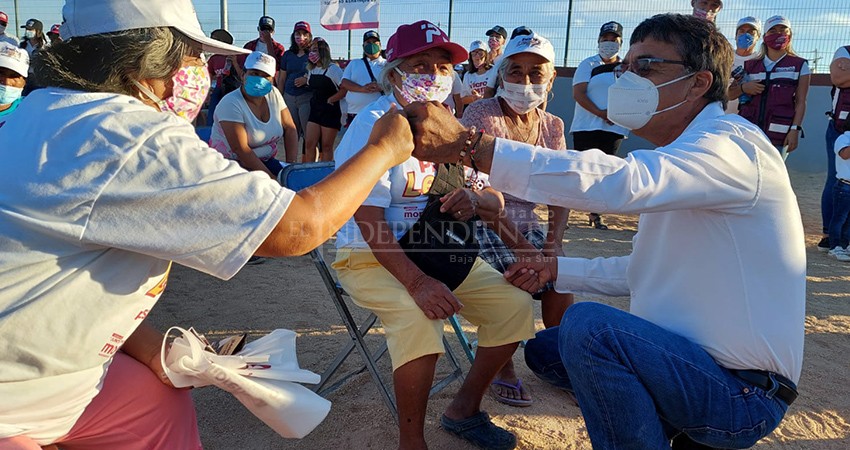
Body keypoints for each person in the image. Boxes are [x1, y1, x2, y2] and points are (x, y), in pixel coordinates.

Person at [0, 0, 415, 447]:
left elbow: (59, 279)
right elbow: (298, 228)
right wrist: (382, 151)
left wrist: (154, 350)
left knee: (157, 403)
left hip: (56, 379)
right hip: (16, 404)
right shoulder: (126, 135)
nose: (199, 68)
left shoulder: (41, 110)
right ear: (147, 57)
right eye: (191, 54)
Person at [405, 13, 804, 450]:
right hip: (689, 365)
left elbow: (620, 184)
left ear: (697, 82)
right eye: (627, 67)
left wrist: (472, 147)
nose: (628, 79)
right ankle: (664, 420)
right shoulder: (686, 156)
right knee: (547, 349)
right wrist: (554, 270)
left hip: (740, 391)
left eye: (646, 67)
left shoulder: (731, 145)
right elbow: (644, 269)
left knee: (588, 328)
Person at [332, 20, 533, 450]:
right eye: (420, 64)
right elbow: (366, 217)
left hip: (439, 248)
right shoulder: (374, 124)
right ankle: (411, 441)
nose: (435, 75)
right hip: (371, 254)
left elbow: (492, 197)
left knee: (514, 306)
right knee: (418, 315)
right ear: (394, 72)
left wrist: (475, 200)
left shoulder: (450, 125)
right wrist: (417, 282)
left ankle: (463, 409)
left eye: (443, 67)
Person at [460, 32, 573, 408]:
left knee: (560, 275)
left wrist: (553, 244)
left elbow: (562, 190)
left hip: (527, 222)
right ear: (501, 72)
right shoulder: (481, 114)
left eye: (535, 73)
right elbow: (476, 193)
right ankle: (502, 362)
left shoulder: (553, 126)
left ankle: (561, 361)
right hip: (481, 217)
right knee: (518, 277)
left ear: (551, 78)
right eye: (516, 71)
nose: (525, 82)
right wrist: (528, 249)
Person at [570, 21, 629, 230]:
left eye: (614, 40)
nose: (609, 44)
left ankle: (596, 215)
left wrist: (618, 115)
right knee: (580, 170)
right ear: (598, 41)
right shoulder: (588, 64)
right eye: (606, 39)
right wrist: (601, 113)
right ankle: (565, 212)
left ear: (621, 42)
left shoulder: (626, 68)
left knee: (604, 173)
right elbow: (579, 93)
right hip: (587, 125)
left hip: (614, 128)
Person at [209, 50, 298, 176]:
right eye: (254, 73)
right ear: (243, 75)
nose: (259, 79)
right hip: (232, 167)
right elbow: (241, 150)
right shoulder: (230, 103)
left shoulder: (274, 94)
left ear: (272, 79)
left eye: (265, 76)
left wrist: (290, 167)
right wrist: (272, 179)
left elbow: (290, 128)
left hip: (265, 161)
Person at [738, 15, 810, 160]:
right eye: (773, 31)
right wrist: (744, 88)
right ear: (765, 36)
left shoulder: (800, 65)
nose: (778, 34)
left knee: (772, 177)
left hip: (779, 134)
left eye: (783, 30)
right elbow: (730, 94)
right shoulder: (750, 65)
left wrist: (795, 129)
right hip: (748, 131)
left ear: (790, 35)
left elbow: (801, 101)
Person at [819, 44, 850, 252]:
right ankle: (830, 235)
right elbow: (839, 78)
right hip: (842, 131)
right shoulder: (844, 52)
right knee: (837, 180)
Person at [304, 38, 344, 162]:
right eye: (310, 50)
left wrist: (332, 99)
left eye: (315, 50)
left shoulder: (333, 69)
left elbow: (344, 88)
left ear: (323, 51)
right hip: (315, 110)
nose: (312, 53)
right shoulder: (311, 69)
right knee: (309, 144)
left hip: (330, 111)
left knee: (326, 146)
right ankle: (309, 171)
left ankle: (326, 175)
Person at [279, 21, 313, 150]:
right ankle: (290, 163)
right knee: (291, 132)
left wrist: (306, 79)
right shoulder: (288, 55)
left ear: (309, 36)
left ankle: (310, 162)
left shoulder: (312, 54)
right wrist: (280, 97)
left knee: (309, 134)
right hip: (289, 97)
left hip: (306, 97)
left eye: (305, 34)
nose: (301, 37)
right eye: (298, 34)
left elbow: (319, 72)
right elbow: (282, 77)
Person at [340, 30, 385, 127]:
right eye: (368, 42)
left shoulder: (387, 64)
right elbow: (344, 82)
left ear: (380, 45)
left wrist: (381, 87)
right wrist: (362, 89)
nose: (371, 45)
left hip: (379, 112)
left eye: (374, 42)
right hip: (355, 112)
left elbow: (395, 84)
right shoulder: (354, 63)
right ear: (363, 46)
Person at [206, 29, 243, 127]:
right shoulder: (214, 58)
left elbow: (242, 76)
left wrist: (234, 63)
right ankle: (211, 129)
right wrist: (208, 91)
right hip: (219, 88)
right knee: (212, 113)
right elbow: (209, 76)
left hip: (233, 89)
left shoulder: (237, 56)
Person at [726, 16, 761, 114]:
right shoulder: (724, 58)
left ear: (758, 37)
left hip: (748, 118)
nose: (745, 35)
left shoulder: (761, 61)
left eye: (751, 32)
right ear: (736, 35)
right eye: (742, 31)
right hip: (721, 115)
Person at [827, 125, 850, 261]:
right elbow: (845, 154)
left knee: (849, 221)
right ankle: (834, 246)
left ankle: (844, 244)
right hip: (844, 186)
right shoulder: (843, 138)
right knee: (839, 218)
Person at [0, 43, 27, 119]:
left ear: (24, 82)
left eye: (14, 76)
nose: (6, 82)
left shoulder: (31, 109)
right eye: (1, 73)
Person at [461, 40, 491, 106]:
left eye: (480, 53)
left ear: (486, 55)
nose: (477, 57)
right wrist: (474, 98)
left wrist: (483, 97)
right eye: (474, 54)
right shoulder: (468, 75)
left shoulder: (494, 71)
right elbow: (463, 99)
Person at [482, 25, 507, 99]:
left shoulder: (505, 59)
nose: (493, 39)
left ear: (504, 41)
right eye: (491, 36)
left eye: (498, 37)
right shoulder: (482, 58)